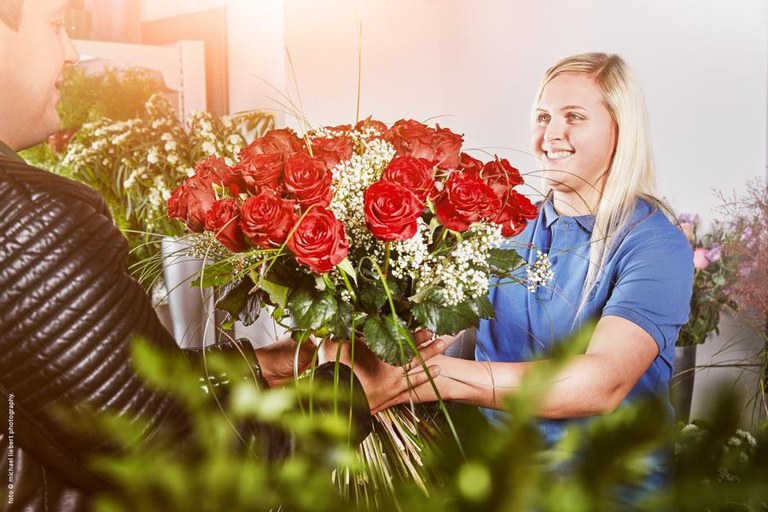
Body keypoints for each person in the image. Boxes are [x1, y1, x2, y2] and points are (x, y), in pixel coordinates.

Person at [0, 1, 443, 510]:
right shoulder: (30, 215)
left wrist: (263, 365)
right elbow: (180, 466)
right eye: (57, 25)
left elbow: (105, 398)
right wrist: (353, 393)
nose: (72, 52)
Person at [329, 52, 694, 497]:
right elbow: (433, 330)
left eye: (574, 117)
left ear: (621, 130)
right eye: (543, 116)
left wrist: (436, 379)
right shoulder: (509, 227)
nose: (551, 134)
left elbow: (602, 382)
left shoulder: (653, 243)